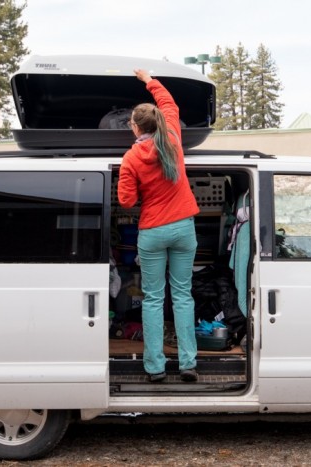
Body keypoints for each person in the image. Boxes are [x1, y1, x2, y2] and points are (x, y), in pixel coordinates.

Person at [117, 69, 200, 383]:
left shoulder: (131, 159)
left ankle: (155, 368)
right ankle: (188, 364)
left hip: (152, 231)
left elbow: (126, 201)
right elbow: (169, 104)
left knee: (153, 298)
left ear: (135, 127)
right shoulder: (174, 139)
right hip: (183, 228)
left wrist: (138, 188)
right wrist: (149, 79)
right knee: (183, 295)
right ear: (160, 123)